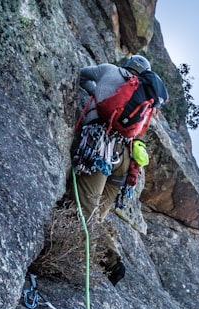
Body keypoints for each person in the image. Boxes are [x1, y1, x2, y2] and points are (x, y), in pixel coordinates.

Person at [70, 54, 164, 284]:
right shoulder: (144, 97)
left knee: (84, 208)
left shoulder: (109, 70)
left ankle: (110, 262)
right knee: (99, 213)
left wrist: (98, 93)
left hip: (100, 146)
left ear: (127, 65)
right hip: (123, 159)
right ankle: (92, 248)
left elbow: (82, 75)